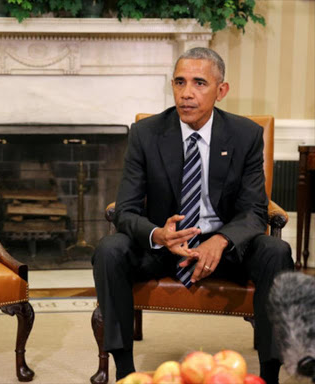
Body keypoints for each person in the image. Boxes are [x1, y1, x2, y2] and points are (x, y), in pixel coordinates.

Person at [92, 47, 294, 384]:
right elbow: (124, 210)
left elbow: (255, 210)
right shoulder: (146, 134)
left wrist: (221, 240)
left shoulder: (245, 135)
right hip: (164, 248)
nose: (187, 93)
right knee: (109, 250)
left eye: (199, 83)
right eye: (180, 82)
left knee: (277, 252)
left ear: (221, 90)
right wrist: (158, 234)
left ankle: (270, 374)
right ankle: (125, 371)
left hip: (225, 249)